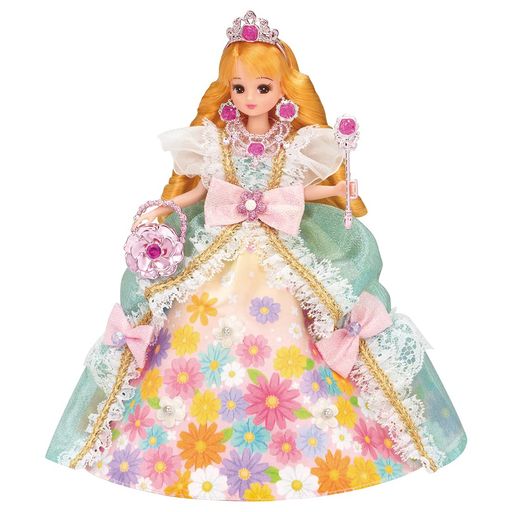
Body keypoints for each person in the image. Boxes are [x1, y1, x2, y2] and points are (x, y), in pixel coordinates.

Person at [46, 9, 467, 501]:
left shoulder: (294, 143)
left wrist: (337, 190)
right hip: (219, 246)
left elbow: (299, 190)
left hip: (282, 247)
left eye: (262, 87)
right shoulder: (216, 141)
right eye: (239, 87)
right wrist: (162, 209)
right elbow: (200, 191)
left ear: (284, 90)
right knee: (184, 313)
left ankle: (329, 436)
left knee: (316, 308)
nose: (249, 98)